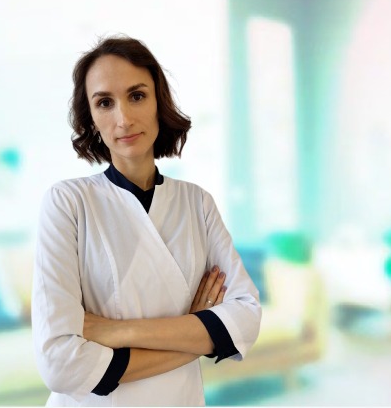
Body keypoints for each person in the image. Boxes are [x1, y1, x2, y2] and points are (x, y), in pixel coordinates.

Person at [32, 35, 261, 406]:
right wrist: (197, 332)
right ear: (91, 118)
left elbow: (246, 317)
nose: (123, 118)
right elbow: (60, 365)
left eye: (137, 96)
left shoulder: (197, 203)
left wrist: (117, 332)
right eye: (105, 103)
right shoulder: (68, 202)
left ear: (158, 102)